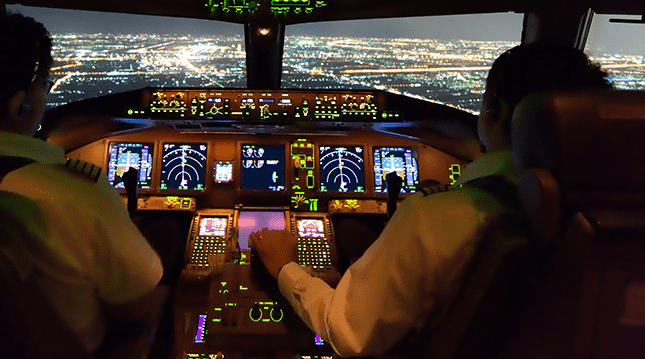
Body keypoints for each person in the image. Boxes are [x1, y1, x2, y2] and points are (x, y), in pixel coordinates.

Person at [249, 42, 612, 357]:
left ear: (494, 110)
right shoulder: (611, 220)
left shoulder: (437, 215)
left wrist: (284, 267)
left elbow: (347, 335)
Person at [0, 6, 163, 353]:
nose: (46, 95)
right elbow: (136, 308)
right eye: (45, 84)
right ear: (20, 104)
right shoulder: (76, 192)